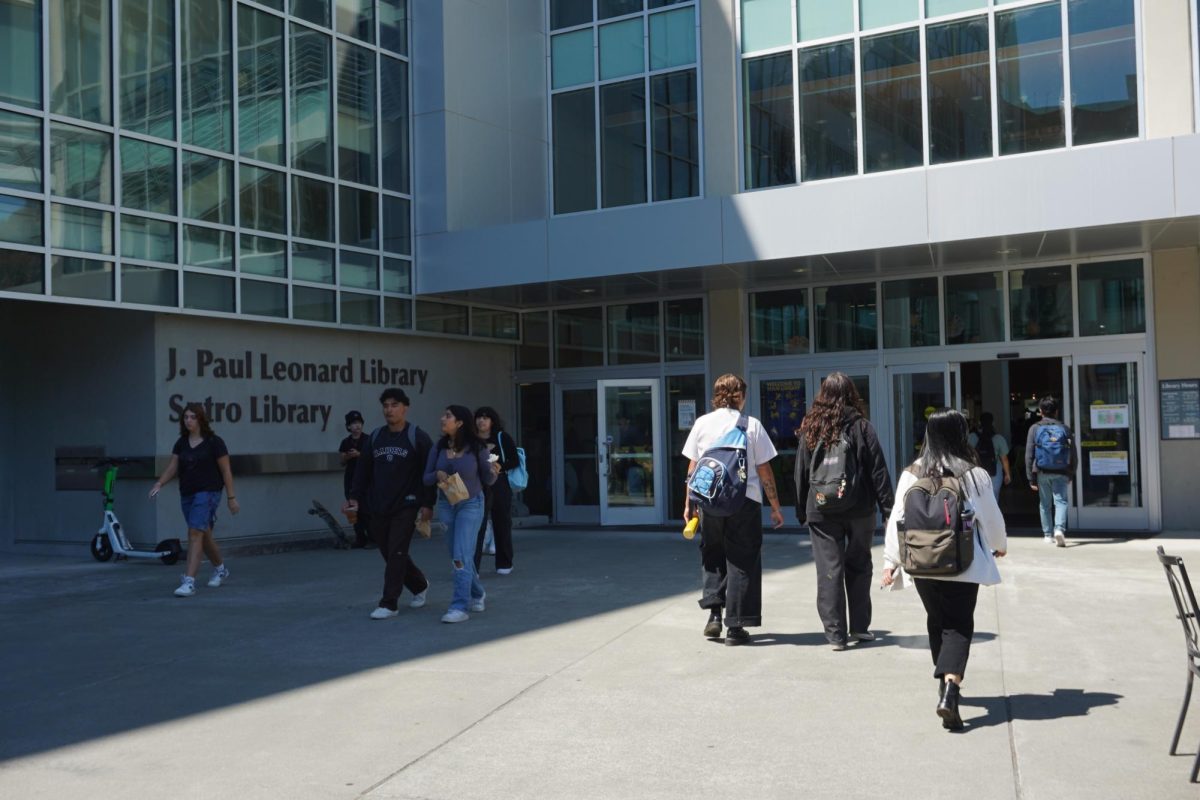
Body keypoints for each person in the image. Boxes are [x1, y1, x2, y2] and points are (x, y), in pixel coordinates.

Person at [882, 408, 1008, 731]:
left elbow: (898, 518)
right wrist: (999, 544)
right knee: (959, 624)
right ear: (959, 435)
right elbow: (990, 518)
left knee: (937, 620)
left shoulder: (911, 473)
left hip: (922, 565)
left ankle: (943, 684)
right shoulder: (973, 474)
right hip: (962, 564)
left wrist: (891, 562)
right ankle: (951, 687)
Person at [681, 373, 784, 646]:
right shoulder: (751, 425)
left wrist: (688, 505)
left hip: (709, 502)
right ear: (741, 396)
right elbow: (765, 471)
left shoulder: (702, 424)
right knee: (743, 559)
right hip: (745, 501)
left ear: (716, 395)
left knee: (712, 553)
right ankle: (736, 627)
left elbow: (692, 470)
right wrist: (775, 507)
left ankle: (714, 615)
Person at [794, 372, 894, 651]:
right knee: (860, 565)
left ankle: (836, 635)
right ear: (851, 393)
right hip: (860, 508)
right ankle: (860, 628)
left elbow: (801, 471)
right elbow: (879, 471)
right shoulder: (862, 427)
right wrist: (888, 509)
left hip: (821, 508)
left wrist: (802, 509)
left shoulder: (811, 427)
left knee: (829, 570)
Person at [344, 388, 435, 620]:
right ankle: (419, 585)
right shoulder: (376, 437)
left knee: (396, 550)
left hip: (407, 504)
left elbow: (429, 473)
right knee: (390, 552)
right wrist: (354, 496)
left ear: (405, 407)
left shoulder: (418, 436)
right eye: (386, 405)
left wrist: (428, 504)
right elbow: (362, 471)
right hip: (379, 505)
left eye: (394, 405)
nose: (389, 410)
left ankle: (389, 603)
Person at [149, 403, 239, 597]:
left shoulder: (214, 442)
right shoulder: (181, 443)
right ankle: (221, 569)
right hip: (187, 494)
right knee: (203, 535)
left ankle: (189, 582)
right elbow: (173, 467)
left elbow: (226, 471)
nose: (188, 420)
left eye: (192, 417)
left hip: (208, 493)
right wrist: (159, 484)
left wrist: (231, 497)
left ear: (200, 419)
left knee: (194, 533)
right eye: (186, 417)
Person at [425, 405, 499, 623]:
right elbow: (425, 477)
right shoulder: (438, 446)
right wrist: (437, 474)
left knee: (459, 555)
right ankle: (477, 592)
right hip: (447, 504)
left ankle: (459, 606)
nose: (442, 418)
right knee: (459, 555)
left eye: (447, 416)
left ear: (459, 423)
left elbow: (488, 479)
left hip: (471, 504)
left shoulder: (477, 447)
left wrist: (494, 472)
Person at [1024, 396, 1077, 547]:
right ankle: (1059, 529)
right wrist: (1071, 472)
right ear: (1057, 411)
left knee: (1044, 503)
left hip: (1042, 471)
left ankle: (1047, 534)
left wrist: (1030, 477)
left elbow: (1029, 455)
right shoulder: (1064, 428)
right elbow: (1073, 453)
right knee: (1061, 501)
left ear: (1040, 411)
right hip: (1061, 470)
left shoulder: (1034, 428)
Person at [473, 407, 520, 575]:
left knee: (502, 523)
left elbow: (514, 460)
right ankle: (473, 567)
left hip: (499, 484)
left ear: (492, 421)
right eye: (479, 417)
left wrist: (500, 467)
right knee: (477, 526)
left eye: (486, 418)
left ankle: (504, 563)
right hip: (477, 485)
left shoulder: (502, 438)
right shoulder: (471, 440)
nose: (481, 421)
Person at [338, 410, 372, 548]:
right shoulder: (346, 442)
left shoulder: (368, 440)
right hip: (350, 479)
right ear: (348, 427)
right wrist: (348, 456)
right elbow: (341, 461)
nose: (357, 426)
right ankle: (360, 538)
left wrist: (360, 454)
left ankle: (373, 539)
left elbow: (373, 459)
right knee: (353, 510)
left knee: (366, 509)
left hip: (366, 479)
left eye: (359, 423)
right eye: (353, 424)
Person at [968, 412, 1011, 501]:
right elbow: (1004, 459)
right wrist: (1007, 474)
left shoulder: (971, 437)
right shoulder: (998, 438)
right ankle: (993, 514)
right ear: (993, 423)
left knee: (978, 498)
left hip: (977, 472)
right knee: (994, 497)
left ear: (979, 422)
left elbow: (966, 456)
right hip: (994, 471)